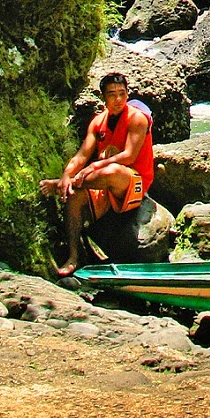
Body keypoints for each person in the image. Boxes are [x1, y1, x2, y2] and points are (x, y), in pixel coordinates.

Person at [40, 71, 154, 277]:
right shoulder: (97, 122)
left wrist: (94, 167)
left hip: (133, 181)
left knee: (111, 170)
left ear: (128, 94)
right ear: (104, 97)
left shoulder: (137, 119)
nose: (118, 99)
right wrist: (67, 174)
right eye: (112, 94)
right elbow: (82, 155)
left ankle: (64, 185)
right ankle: (74, 257)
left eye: (122, 93)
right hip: (102, 182)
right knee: (74, 196)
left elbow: (128, 156)